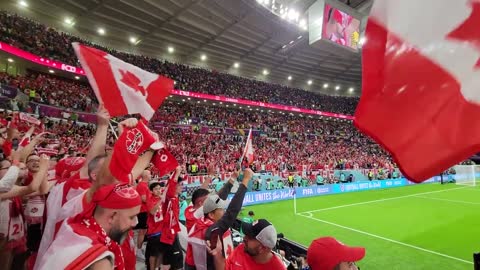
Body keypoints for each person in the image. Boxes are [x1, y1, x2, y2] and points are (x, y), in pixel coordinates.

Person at [36, 183, 142, 269]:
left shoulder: (75, 227)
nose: (135, 223)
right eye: (132, 217)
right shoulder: (100, 263)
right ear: (113, 216)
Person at [185, 168, 253, 270]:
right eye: (221, 210)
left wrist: (233, 178)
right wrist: (245, 180)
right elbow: (232, 212)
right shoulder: (211, 230)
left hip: (193, 261)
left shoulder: (194, 214)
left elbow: (216, 198)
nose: (224, 212)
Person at [209, 219, 286, 270]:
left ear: (263, 248)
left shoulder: (277, 268)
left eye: (250, 237)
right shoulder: (241, 248)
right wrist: (218, 255)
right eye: (246, 235)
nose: (244, 238)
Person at [135, 170, 152, 252]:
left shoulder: (144, 185)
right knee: (142, 231)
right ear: (145, 175)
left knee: (144, 231)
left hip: (145, 211)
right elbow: (143, 198)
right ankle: (138, 249)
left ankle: (140, 246)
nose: (151, 175)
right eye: (149, 174)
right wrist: (153, 199)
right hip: (143, 211)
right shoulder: (142, 185)